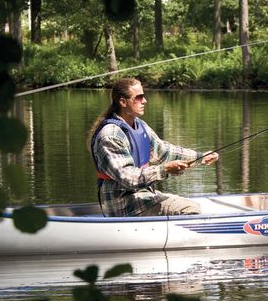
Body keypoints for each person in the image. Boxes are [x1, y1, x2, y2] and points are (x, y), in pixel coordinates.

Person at [88, 78, 219, 217]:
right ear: (123, 102)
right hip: (123, 205)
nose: (144, 101)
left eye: (143, 96)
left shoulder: (140, 125)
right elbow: (128, 177)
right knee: (190, 208)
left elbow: (164, 152)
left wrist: (201, 157)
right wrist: (165, 170)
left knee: (188, 204)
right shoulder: (110, 135)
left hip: (142, 197)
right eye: (139, 97)